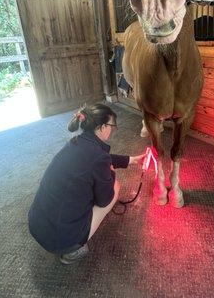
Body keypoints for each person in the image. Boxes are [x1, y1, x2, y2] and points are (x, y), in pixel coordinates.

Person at [28, 103, 144, 265]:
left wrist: (131, 160)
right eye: (112, 126)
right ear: (102, 127)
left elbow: (100, 159)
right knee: (115, 187)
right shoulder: (98, 157)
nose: (112, 130)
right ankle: (73, 249)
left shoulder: (76, 143)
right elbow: (104, 199)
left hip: (37, 224)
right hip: (58, 239)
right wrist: (110, 173)